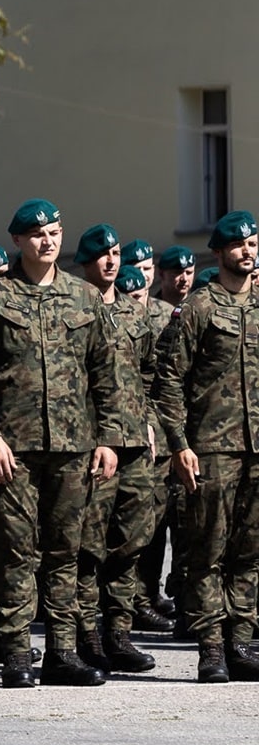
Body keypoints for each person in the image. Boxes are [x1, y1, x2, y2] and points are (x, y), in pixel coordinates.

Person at [0, 199, 119, 688]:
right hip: (14, 449)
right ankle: (16, 651)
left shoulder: (83, 297)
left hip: (73, 445)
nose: (48, 241)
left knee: (66, 550)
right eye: (37, 234)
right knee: (14, 551)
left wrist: (108, 438)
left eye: (54, 232)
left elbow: (105, 373)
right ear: (18, 241)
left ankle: (63, 651)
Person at [155, 211, 259, 683]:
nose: (247, 251)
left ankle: (241, 641)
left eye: (252, 243)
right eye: (238, 244)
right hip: (212, 447)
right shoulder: (200, 307)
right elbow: (170, 380)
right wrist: (179, 444)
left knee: (250, 550)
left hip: (257, 448)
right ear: (218, 252)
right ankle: (211, 647)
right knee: (207, 550)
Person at [72, 224, 160, 675]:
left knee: (131, 540)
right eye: (102, 255)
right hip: (91, 442)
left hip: (134, 443)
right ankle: (86, 634)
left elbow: (149, 371)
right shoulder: (75, 305)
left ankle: (119, 632)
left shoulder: (132, 311)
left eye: (116, 254)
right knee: (88, 544)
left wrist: (148, 420)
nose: (111, 261)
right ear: (86, 262)